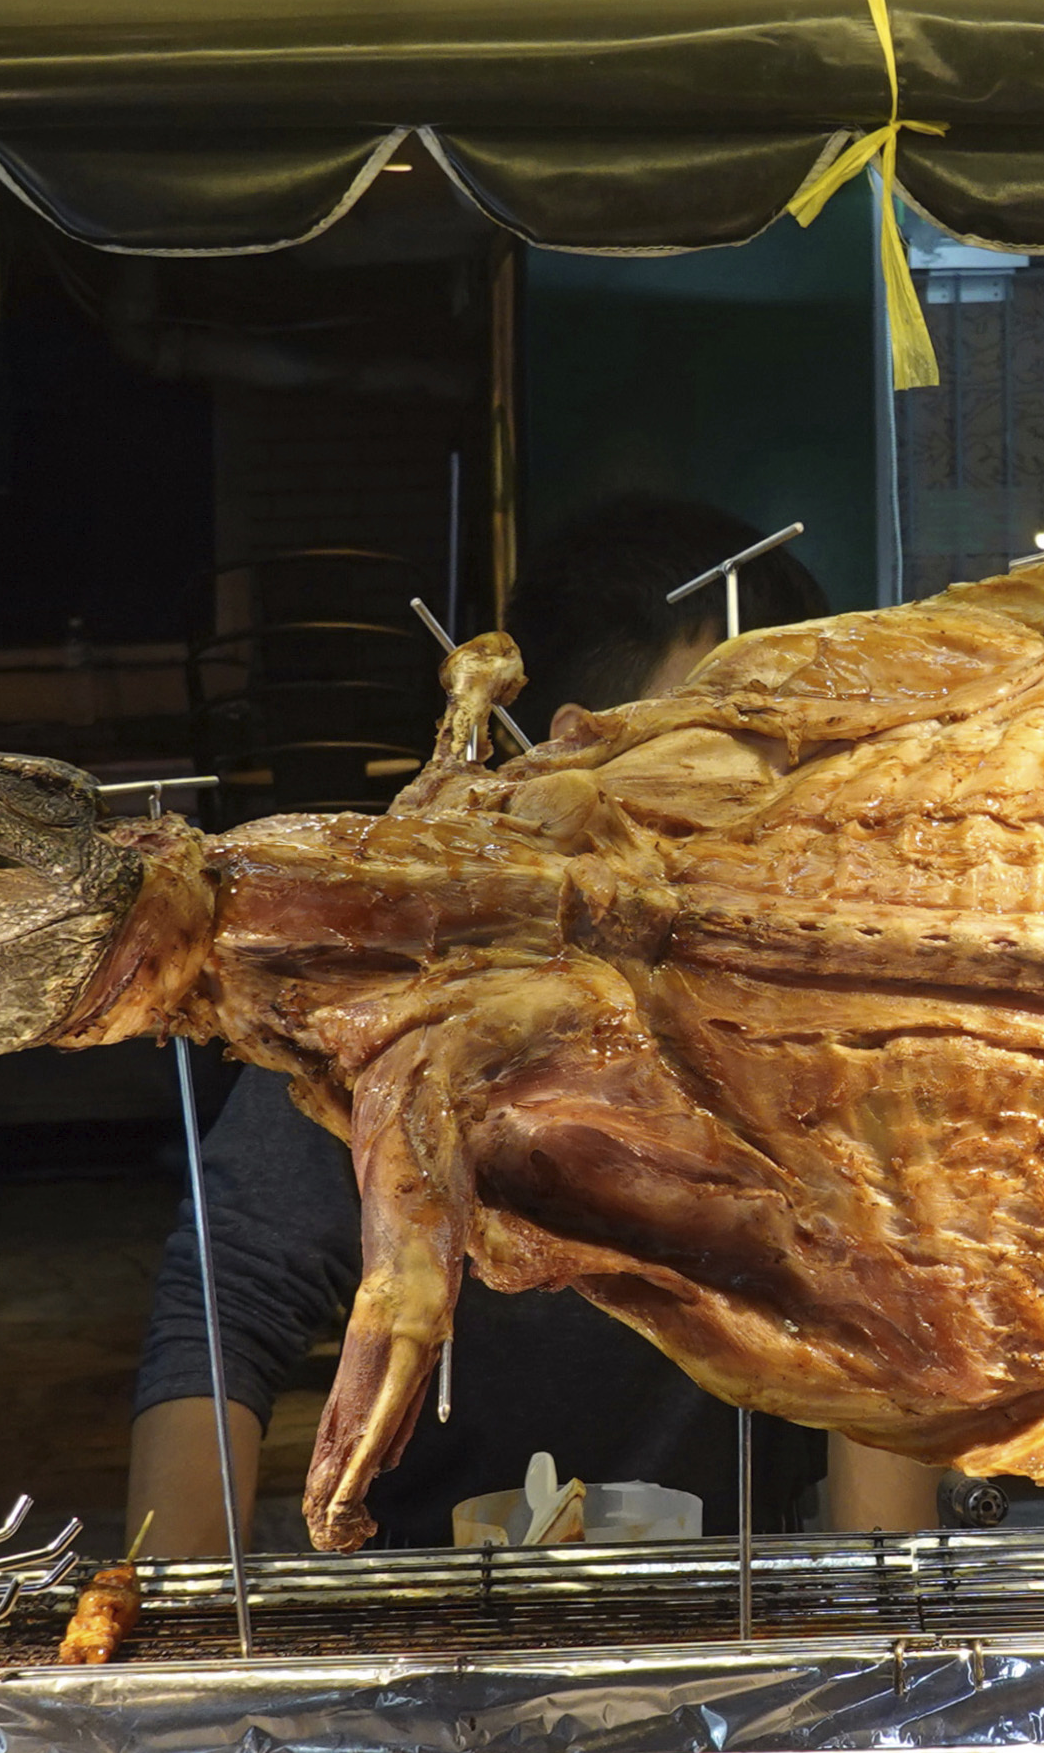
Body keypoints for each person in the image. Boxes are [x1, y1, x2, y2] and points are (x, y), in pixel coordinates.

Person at [125, 496, 942, 1552]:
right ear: (567, 758)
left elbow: (887, 1338)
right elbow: (226, 1307)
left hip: (736, 1617)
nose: (773, 810)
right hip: (442, 1625)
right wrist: (175, 1636)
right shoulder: (410, 993)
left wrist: (878, 1642)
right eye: (725, 755)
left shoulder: (828, 1016)